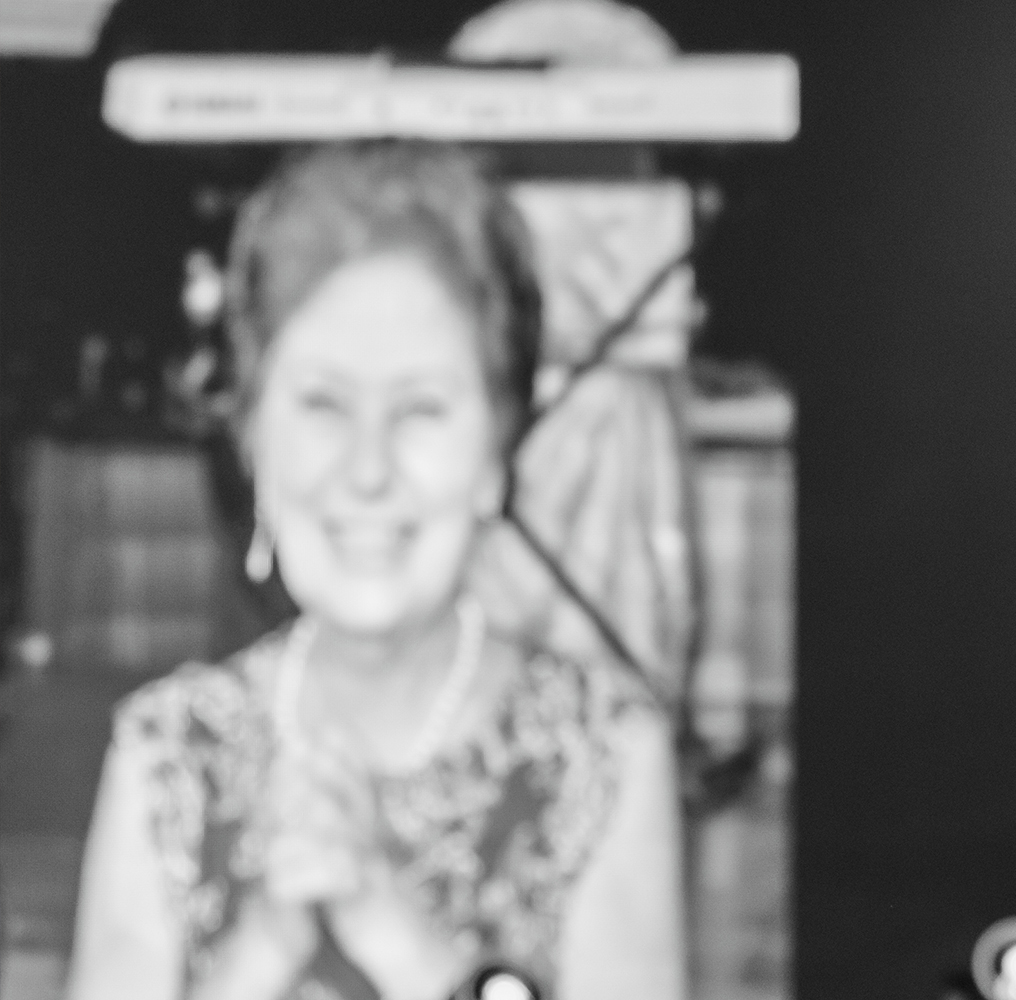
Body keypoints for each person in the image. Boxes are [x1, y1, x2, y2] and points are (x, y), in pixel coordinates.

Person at [67, 141, 682, 1000]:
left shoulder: (599, 754)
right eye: (323, 405)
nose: (367, 471)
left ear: (496, 455)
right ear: (253, 441)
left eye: (421, 410)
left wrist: (402, 937)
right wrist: (262, 949)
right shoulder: (169, 755)